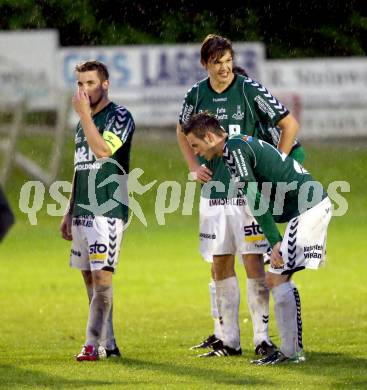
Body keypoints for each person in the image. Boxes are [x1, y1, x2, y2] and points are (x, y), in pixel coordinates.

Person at [176, 34, 304, 357]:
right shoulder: (196, 94)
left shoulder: (249, 89)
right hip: (214, 193)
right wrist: (193, 166)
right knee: (219, 265)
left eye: (228, 60)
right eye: (217, 62)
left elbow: (289, 125)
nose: (225, 67)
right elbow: (181, 128)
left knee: (254, 265)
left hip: (247, 192)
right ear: (205, 64)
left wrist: (276, 167)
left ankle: (262, 339)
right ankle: (229, 341)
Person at [183, 112, 332, 364]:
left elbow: (254, 197)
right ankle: (289, 350)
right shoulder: (237, 146)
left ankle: (290, 352)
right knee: (279, 275)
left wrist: (274, 241)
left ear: (209, 137)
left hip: (309, 208)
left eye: (196, 145)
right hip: (307, 208)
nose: (196, 153)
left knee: (276, 277)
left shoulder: (234, 150)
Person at [60, 60, 135, 361]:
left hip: (107, 209)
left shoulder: (120, 116)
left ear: (105, 84)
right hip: (82, 210)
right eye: (80, 83)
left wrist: (83, 116)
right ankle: (110, 343)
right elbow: (81, 167)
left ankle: (91, 345)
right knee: (90, 280)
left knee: (103, 278)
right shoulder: (83, 122)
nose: (84, 89)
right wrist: (69, 209)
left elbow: (103, 152)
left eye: (90, 83)